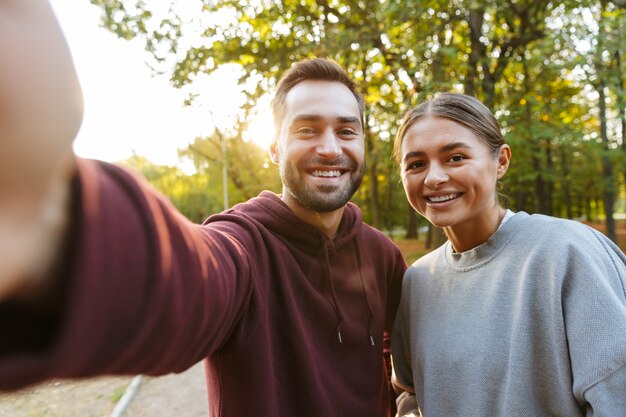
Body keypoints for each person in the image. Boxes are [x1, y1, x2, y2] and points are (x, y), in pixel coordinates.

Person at [0, 2, 407, 417]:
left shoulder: (383, 257)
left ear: (362, 143)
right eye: (307, 129)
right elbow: (187, 282)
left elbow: (393, 347)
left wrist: (401, 395)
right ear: (273, 146)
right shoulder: (244, 249)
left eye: (345, 130)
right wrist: (49, 222)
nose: (329, 147)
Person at [390, 92, 626, 417]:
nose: (434, 177)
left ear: (500, 161)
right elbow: (411, 395)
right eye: (416, 164)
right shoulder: (417, 281)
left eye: (455, 157)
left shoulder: (568, 252)